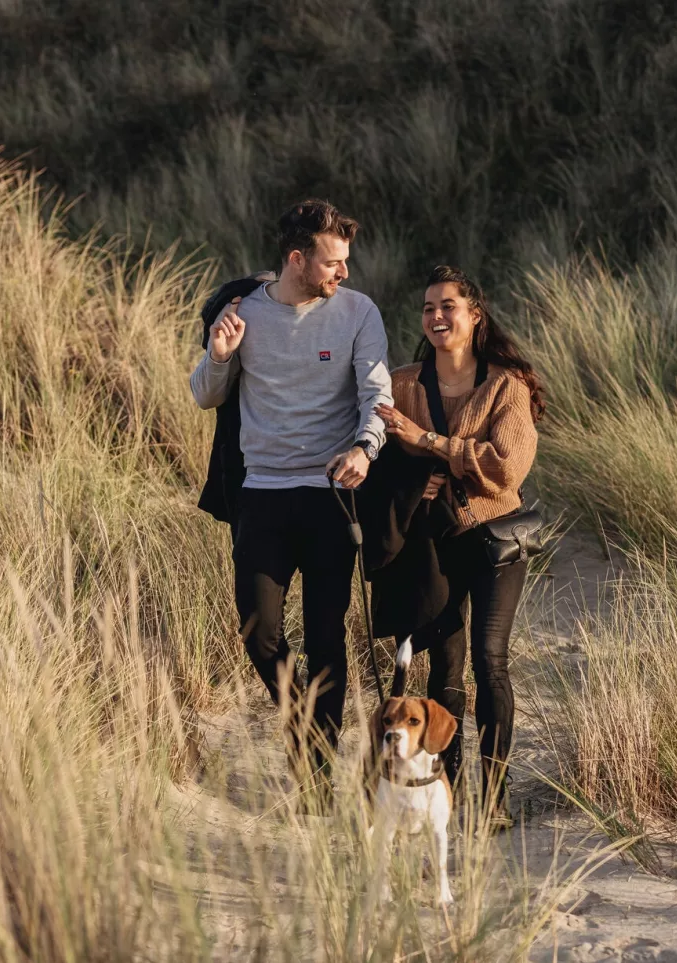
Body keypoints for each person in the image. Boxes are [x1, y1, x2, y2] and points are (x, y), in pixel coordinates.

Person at [190, 199, 392, 809]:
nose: (343, 273)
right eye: (333, 262)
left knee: (327, 638)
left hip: (334, 494)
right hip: (264, 496)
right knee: (259, 630)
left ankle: (317, 774)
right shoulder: (241, 313)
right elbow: (204, 395)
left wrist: (366, 446)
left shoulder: (358, 312)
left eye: (346, 261)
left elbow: (375, 391)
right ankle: (305, 727)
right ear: (297, 259)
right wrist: (220, 354)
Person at [375, 265, 544, 829]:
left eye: (449, 306)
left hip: (495, 541)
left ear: (475, 316)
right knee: (444, 673)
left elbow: (505, 468)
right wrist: (409, 478)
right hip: (434, 541)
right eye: (428, 308)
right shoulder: (402, 383)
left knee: (488, 661)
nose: (437, 316)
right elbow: (372, 446)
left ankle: (492, 801)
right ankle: (446, 789)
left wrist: (429, 443)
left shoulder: (505, 386)